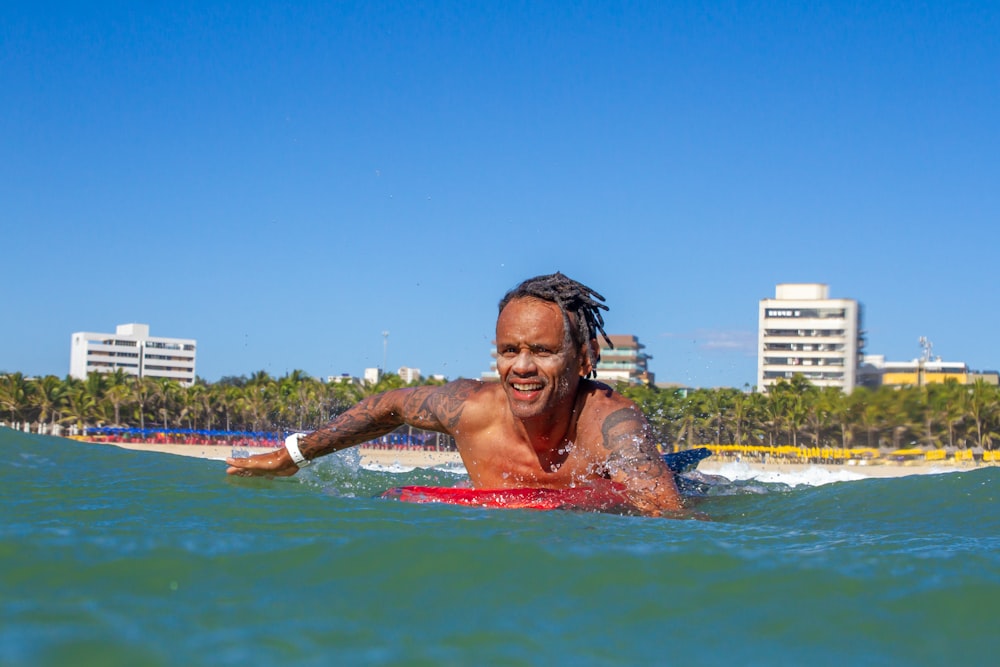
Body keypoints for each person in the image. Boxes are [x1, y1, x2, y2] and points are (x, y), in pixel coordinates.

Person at [226, 272, 684, 516]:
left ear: (583, 359)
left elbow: (669, 516)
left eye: (542, 351)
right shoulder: (471, 410)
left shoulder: (609, 424)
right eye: (509, 350)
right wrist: (292, 454)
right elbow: (389, 406)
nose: (521, 367)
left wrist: (575, 503)